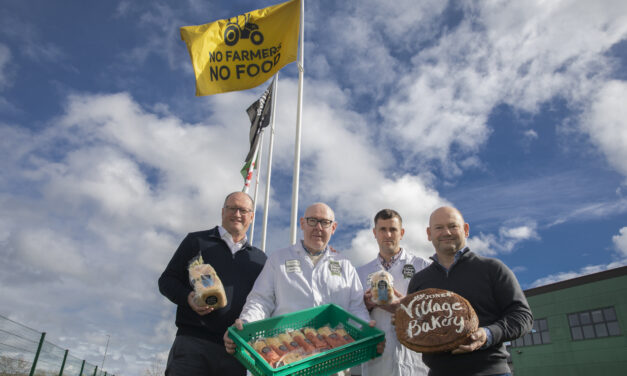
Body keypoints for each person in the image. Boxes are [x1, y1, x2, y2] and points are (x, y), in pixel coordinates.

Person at [225, 203, 384, 365]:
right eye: (312, 221)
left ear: (333, 227)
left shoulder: (345, 265)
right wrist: (245, 324)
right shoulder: (279, 259)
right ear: (302, 223)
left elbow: (356, 307)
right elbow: (260, 300)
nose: (319, 227)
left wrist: (366, 331)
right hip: (288, 356)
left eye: (325, 222)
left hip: (335, 357)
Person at [405, 206, 533, 376]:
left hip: (491, 372)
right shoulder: (419, 281)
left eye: (452, 226)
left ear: (465, 230)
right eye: (439, 228)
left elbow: (522, 316)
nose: (446, 232)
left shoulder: (492, 269)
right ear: (429, 234)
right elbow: (413, 326)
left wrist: (487, 335)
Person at [159, 192, 267, 376]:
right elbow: (167, 281)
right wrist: (189, 298)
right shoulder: (196, 241)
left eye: (243, 210)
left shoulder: (260, 259)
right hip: (192, 343)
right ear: (223, 211)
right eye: (232, 208)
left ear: (251, 216)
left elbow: (263, 300)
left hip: (234, 350)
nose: (237, 214)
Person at [357, 209, 430, 376]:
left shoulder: (423, 267)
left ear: (402, 233)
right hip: (376, 361)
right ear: (375, 233)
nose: (388, 234)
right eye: (382, 229)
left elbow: (433, 312)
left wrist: (405, 307)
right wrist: (366, 306)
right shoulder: (360, 273)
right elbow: (353, 315)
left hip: (416, 361)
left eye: (393, 229)